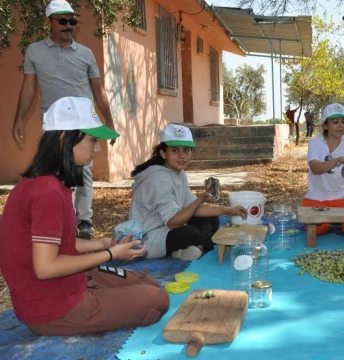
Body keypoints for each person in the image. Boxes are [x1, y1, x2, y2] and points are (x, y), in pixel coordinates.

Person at [0, 96, 169, 336]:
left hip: (62, 286)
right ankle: (91, 305)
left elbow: (56, 244)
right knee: (157, 298)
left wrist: (103, 243)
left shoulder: (49, 183)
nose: (98, 148)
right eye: (92, 140)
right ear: (63, 138)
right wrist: (109, 254)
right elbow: (46, 267)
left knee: (147, 281)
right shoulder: (47, 192)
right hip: (53, 308)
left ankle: (97, 292)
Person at [12, 0, 117, 240]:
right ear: (49, 22)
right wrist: (18, 118)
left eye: (72, 21)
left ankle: (84, 220)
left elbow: (99, 90)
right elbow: (28, 87)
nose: (68, 25)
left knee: (83, 171)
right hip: (54, 125)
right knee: (54, 171)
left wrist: (109, 120)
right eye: (63, 21)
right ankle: (62, 217)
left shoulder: (86, 53)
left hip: (84, 122)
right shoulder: (34, 51)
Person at [129, 124, 247, 261]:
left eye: (186, 150)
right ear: (163, 153)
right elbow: (173, 223)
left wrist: (228, 210)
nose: (182, 156)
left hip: (168, 228)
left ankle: (191, 250)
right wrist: (200, 200)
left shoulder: (179, 173)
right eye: (175, 150)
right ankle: (196, 248)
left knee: (211, 218)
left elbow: (192, 208)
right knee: (189, 233)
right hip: (148, 238)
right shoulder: (158, 178)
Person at [301, 103, 344, 236]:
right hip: (317, 197)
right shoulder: (315, 143)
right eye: (335, 122)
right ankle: (334, 220)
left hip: (343, 196)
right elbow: (315, 168)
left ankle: (338, 220)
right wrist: (336, 161)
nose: (341, 125)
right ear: (326, 125)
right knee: (317, 230)